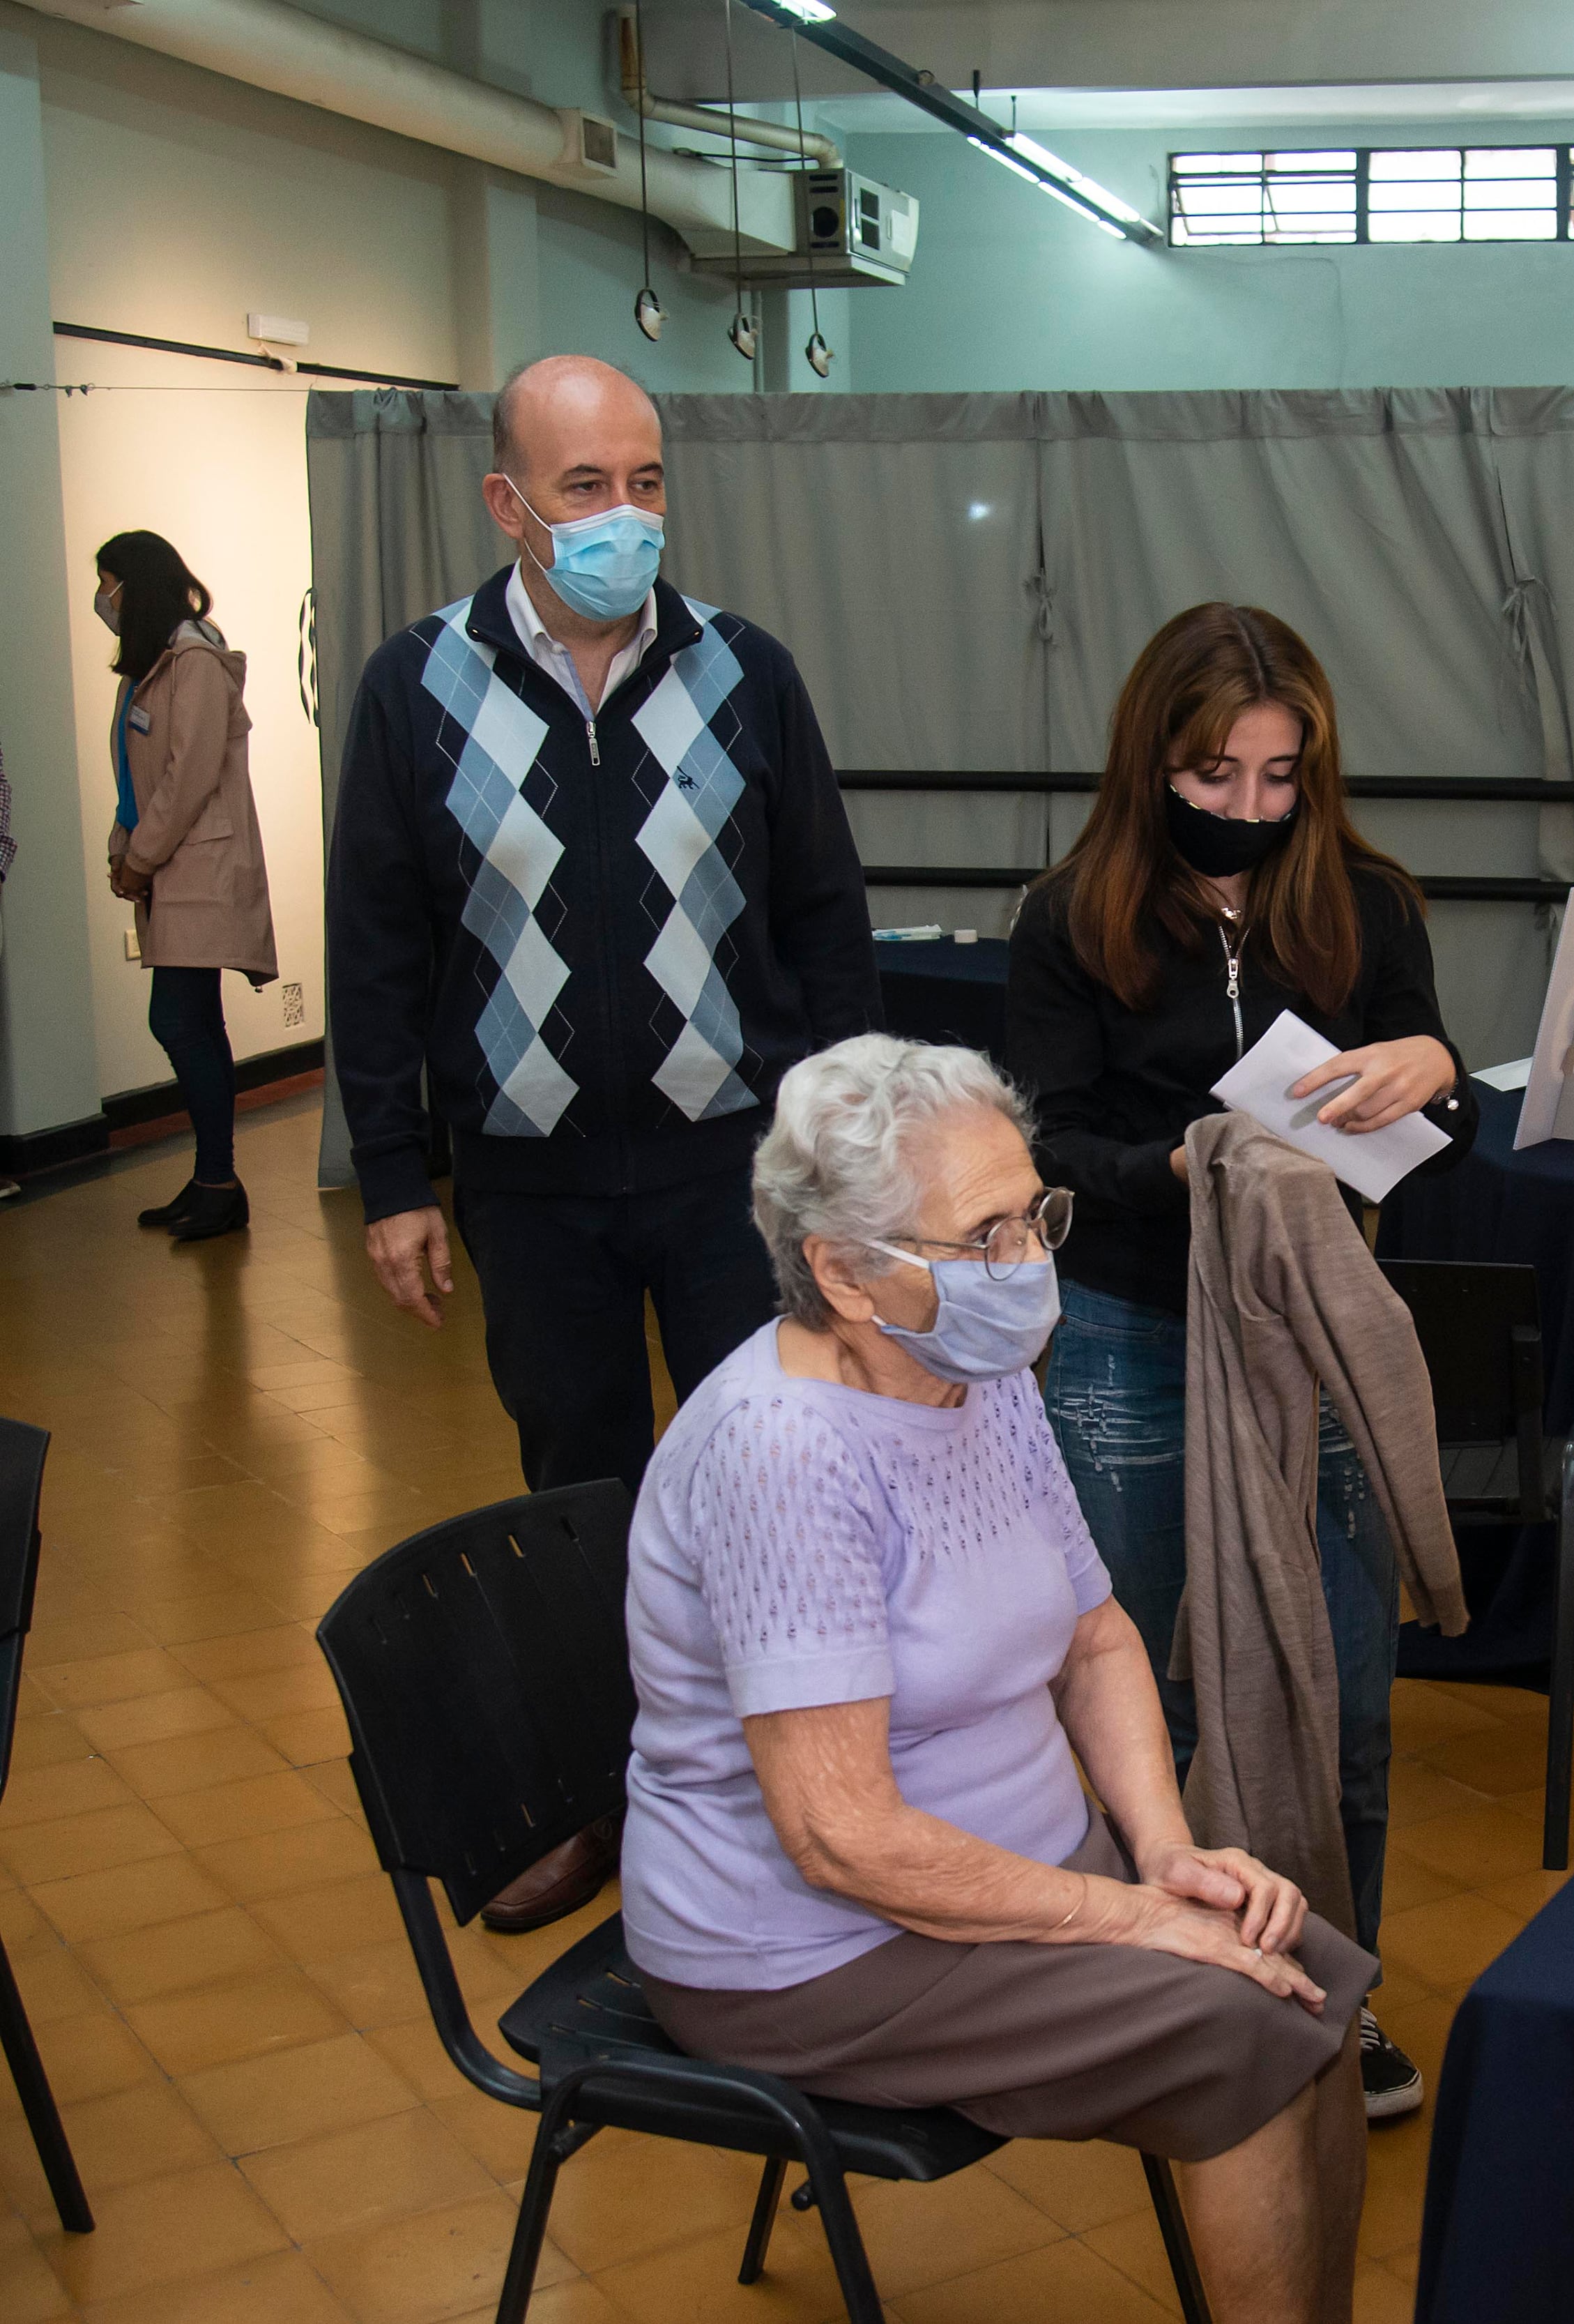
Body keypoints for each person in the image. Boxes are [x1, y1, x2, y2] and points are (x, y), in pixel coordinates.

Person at [625, 1035, 1367, 2324]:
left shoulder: (974, 1373)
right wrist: (1134, 1916)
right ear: (843, 1270)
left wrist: (1165, 1850)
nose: (1028, 1262)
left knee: (1310, 1967)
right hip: (815, 1952)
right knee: (1250, 2026)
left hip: (1004, 1873)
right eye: (983, 1236)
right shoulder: (785, 1456)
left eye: (1036, 1215)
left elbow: (1095, 1638)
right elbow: (843, 1837)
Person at [329, 354, 880, 1931]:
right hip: (531, 1188)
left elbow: (825, 922)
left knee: (765, 1490)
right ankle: (604, 1802)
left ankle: (794, 1802)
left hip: (736, 1182)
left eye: (646, 480)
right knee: (584, 1502)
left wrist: (838, 1141)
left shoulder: (743, 671)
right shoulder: (414, 686)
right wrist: (390, 1179)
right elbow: (373, 949)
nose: (625, 516)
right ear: (507, 502)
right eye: (585, 488)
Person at [1004, 602, 1476, 2125]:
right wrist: (1196, 1164)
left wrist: (1435, 1069)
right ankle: (1172, 1974)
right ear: (1155, 760)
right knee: (1146, 1686)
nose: (1250, 813)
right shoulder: (1070, 917)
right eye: (1218, 778)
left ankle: (1339, 1990)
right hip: (1132, 1331)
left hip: (1310, 1340)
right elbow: (1045, 1153)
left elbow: (1426, 1107)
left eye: (1282, 780)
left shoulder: (1367, 905)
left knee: (1336, 1690)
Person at [95, 531, 276, 1245]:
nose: (102, 601)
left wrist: (139, 858)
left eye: (108, 584)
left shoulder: (195, 662)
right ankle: (212, 1181)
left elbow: (189, 777)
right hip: (170, 869)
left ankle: (219, 1181)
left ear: (137, 586)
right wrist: (125, 850)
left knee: (177, 1022)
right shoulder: (148, 668)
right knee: (192, 1022)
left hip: (197, 869)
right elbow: (135, 779)